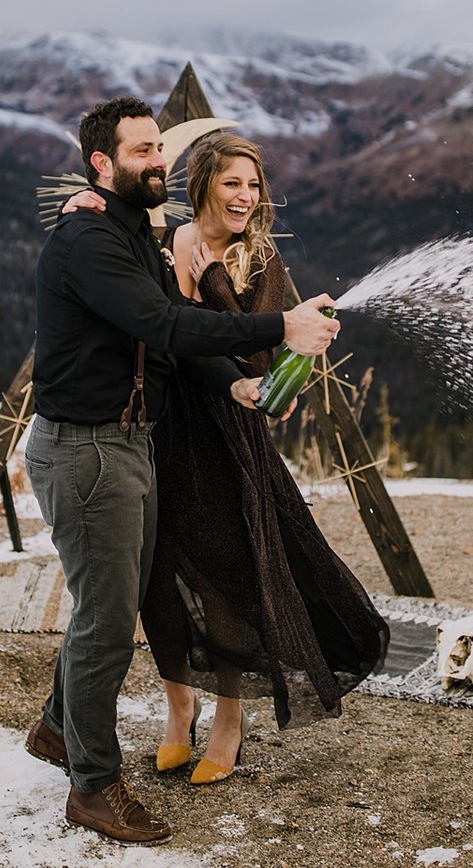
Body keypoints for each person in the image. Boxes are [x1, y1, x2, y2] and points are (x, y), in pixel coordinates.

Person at [23, 97, 339, 845]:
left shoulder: (135, 230)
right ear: (101, 164)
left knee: (114, 601)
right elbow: (164, 323)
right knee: (106, 621)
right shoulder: (89, 241)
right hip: (86, 449)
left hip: (127, 444)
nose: (155, 162)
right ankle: (94, 789)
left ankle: (58, 729)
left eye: (157, 150)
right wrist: (280, 327)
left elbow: (178, 344)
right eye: (139, 153)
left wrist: (237, 381)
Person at [63, 131, 389, 788]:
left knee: (225, 574)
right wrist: (81, 205)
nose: (246, 197)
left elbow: (260, 359)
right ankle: (179, 708)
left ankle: (229, 721)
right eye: (233, 182)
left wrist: (233, 297)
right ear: (204, 183)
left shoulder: (259, 257)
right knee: (155, 575)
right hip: (158, 426)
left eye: (254, 185)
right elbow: (155, 319)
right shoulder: (169, 241)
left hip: (225, 433)